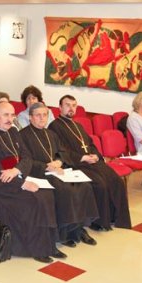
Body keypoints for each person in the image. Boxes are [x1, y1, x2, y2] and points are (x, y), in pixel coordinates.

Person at [0, 101, 61, 263]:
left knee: (47, 195)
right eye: (6, 115)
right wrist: (22, 184)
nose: (10, 118)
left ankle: (49, 245)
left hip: (16, 177)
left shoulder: (14, 132)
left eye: (12, 115)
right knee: (34, 199)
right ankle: (37, 249)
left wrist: (16, 171)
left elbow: (27, 158)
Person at [20, 103, 99, 247]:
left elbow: (62, 153)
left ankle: (79, 228)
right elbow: (25, 160)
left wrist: (58, 162)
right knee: (65, 190)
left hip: (56, 171)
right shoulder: (23, 135)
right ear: (30, 118)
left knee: (84, 186)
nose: (42, 118)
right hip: (39, 173)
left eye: (44, 115)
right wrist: (46, 167)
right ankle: (64, 233)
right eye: (38, 115)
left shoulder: (51, 134)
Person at [49, 95, 132, 231]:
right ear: (60, 107)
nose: (71, 108)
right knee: (100, 184)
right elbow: (61, 150)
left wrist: (96, 156)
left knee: (117, 181)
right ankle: (98, 221)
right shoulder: (55, 127)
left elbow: (90, 144)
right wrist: (82, 158)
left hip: (91, 161)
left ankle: (115, 217)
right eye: (67, 105)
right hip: (75, 164)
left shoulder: (78, 125)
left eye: (74, 105)